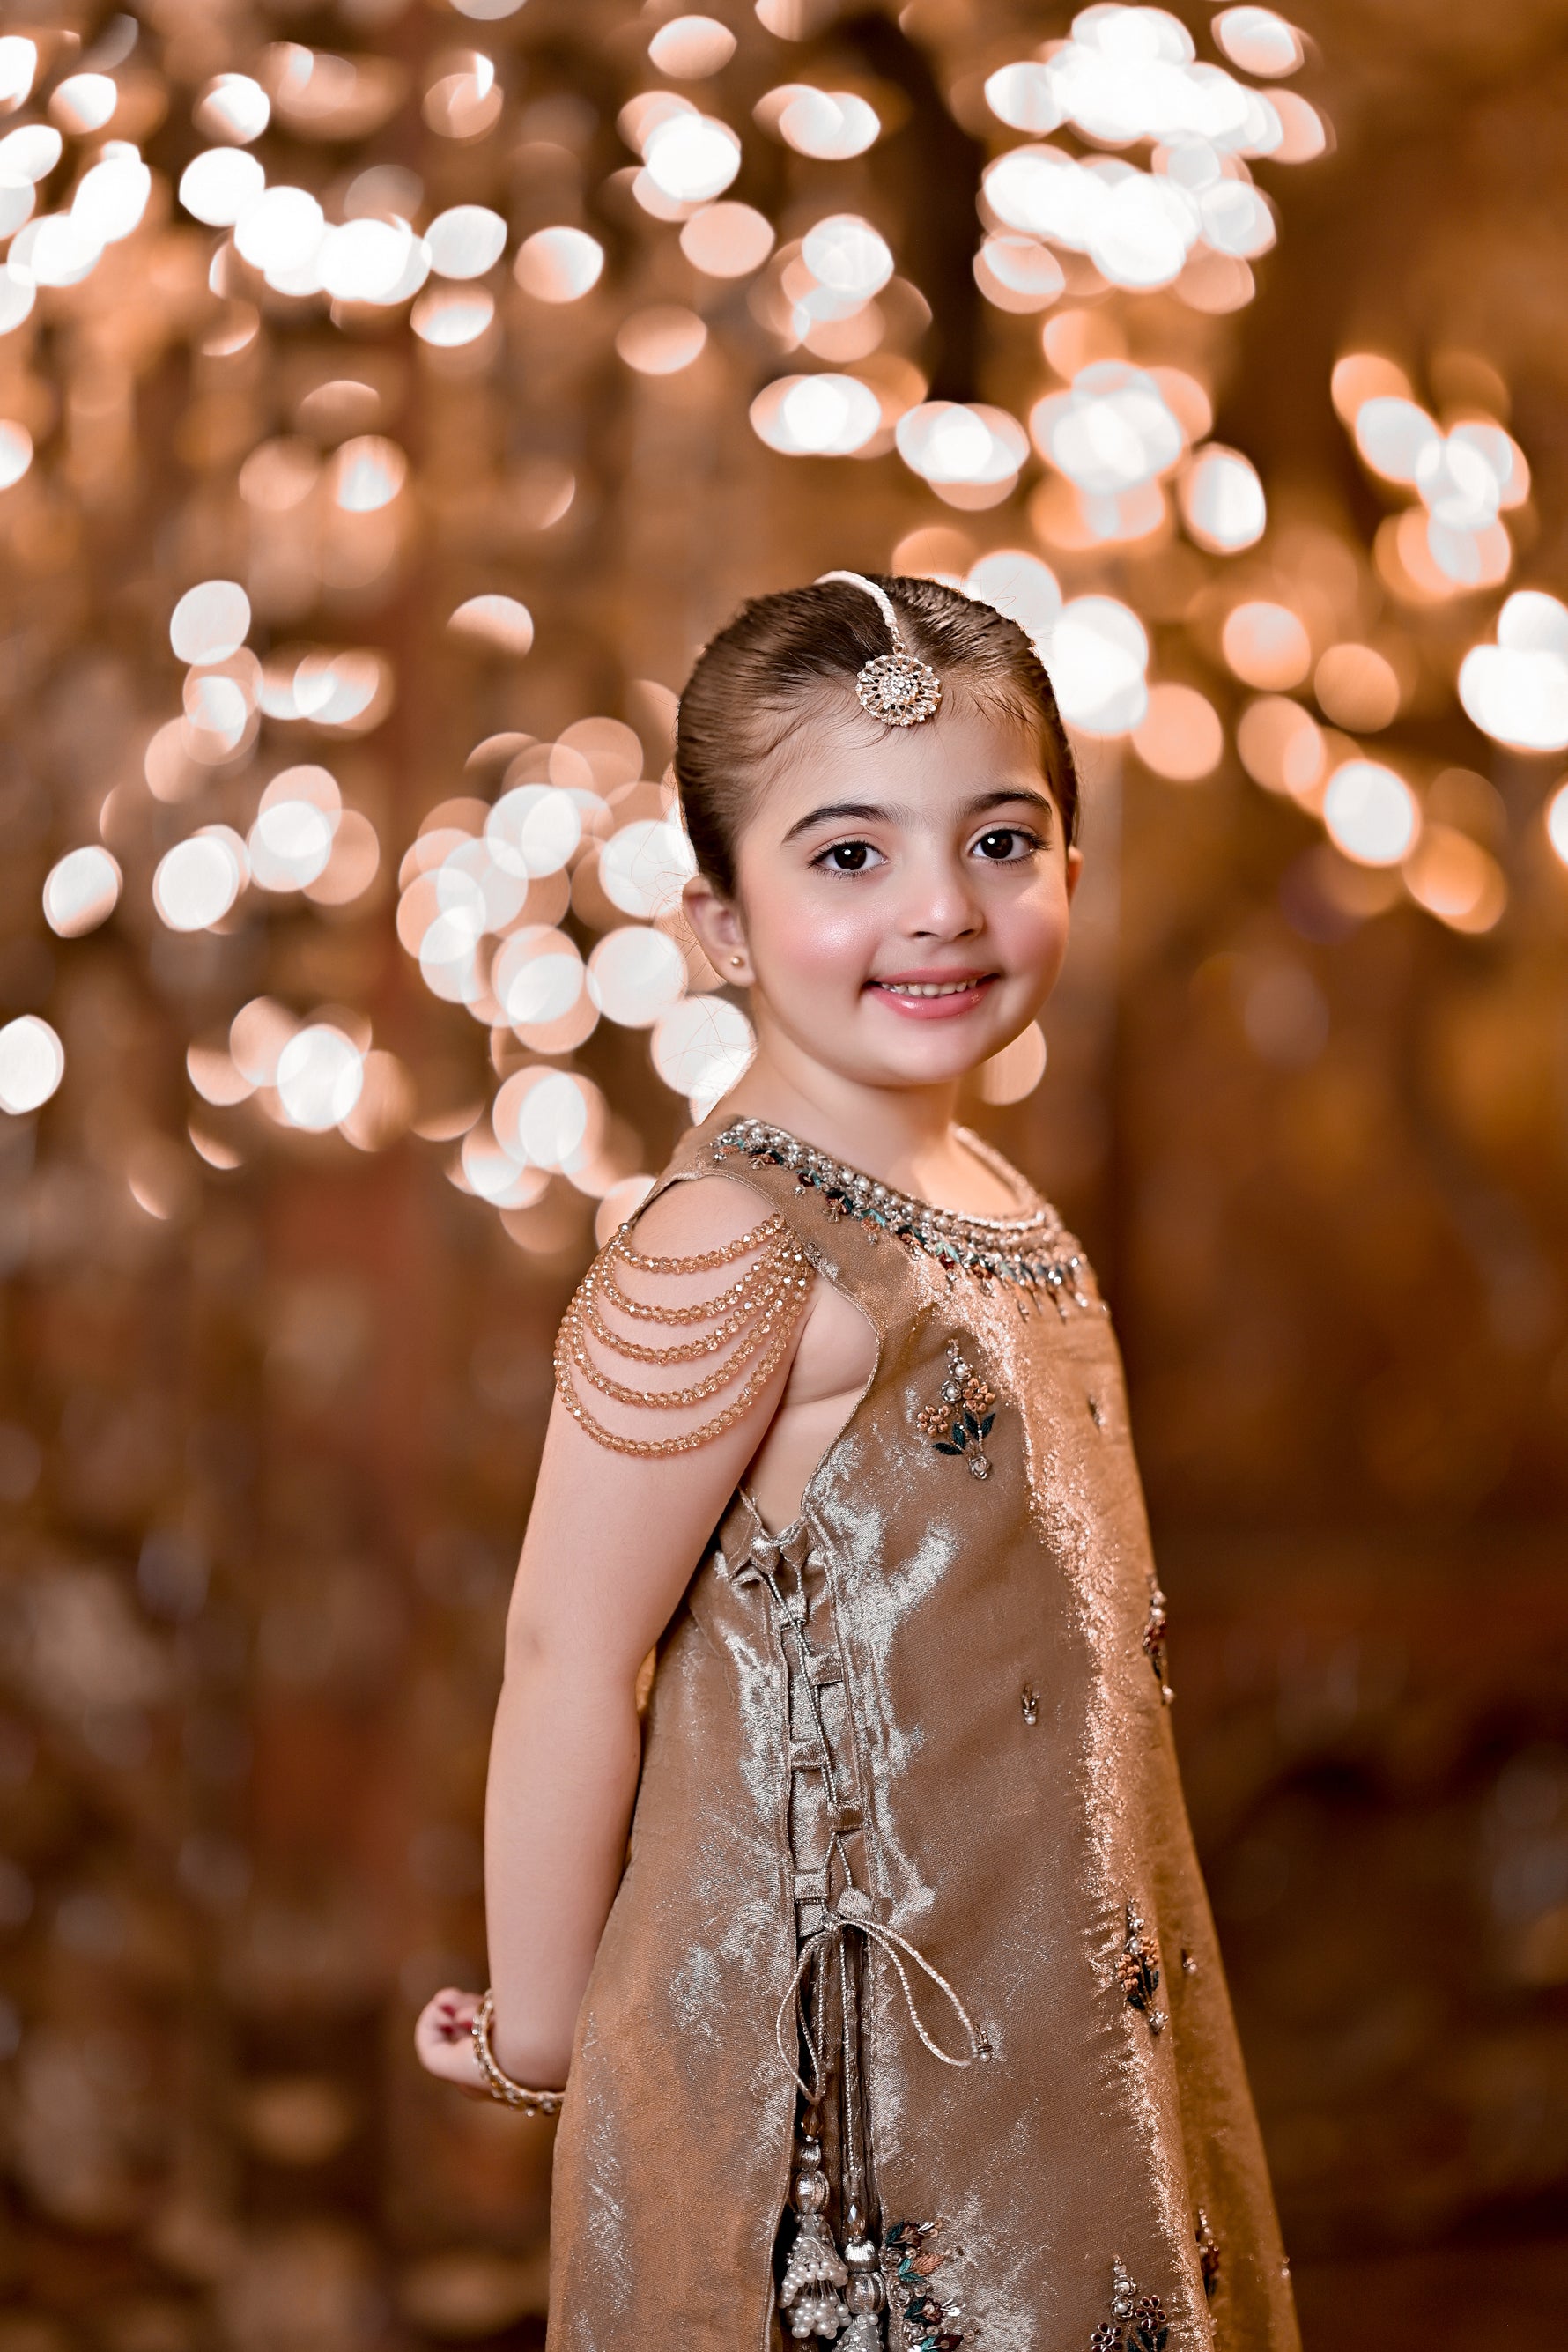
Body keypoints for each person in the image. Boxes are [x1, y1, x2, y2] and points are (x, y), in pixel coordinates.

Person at [414, 573, 1300, 2352]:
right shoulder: (725, 1249)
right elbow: (568, 1651)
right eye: (846, 856)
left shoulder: (992, 1193)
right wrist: (539, 2021)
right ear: (722, 922)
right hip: (849, 2101)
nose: (940, 907)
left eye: (1000, 841)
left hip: (1059, 2006)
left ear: (1069, 864)